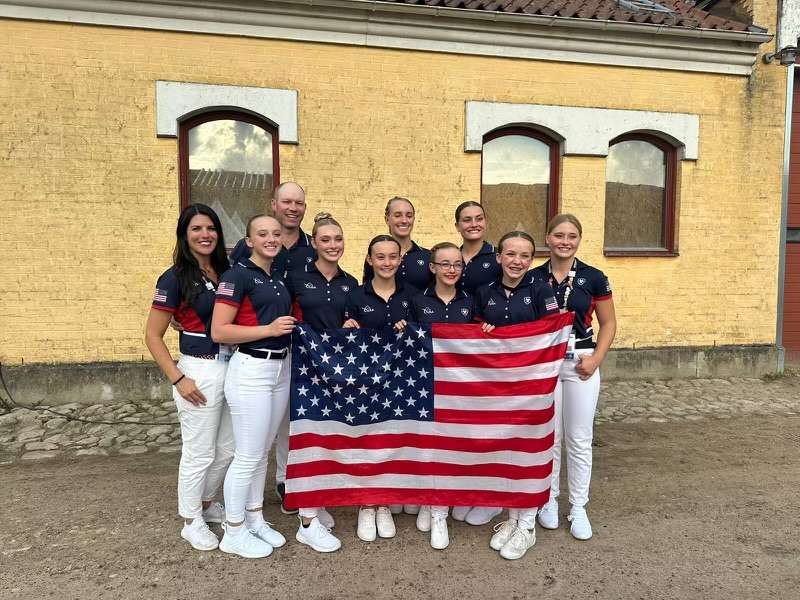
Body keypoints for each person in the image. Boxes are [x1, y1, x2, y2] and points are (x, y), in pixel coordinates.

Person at [145, 203, 235, 552]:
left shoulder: (226, 271)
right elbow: (153, 335)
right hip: (198, 370)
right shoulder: (173, 278)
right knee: (199, 452)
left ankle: (207, 503)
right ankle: (190, 520)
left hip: (232, 367)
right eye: (196, 229)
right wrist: (178, 379)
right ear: (185, 234)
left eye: (210, 228)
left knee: (228, 448)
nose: (205, 235)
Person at [210, 214, 294, 559]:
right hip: (252, 369)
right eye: (263, 234)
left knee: (261, 451)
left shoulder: (275, 276)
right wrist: (269, 330)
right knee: (247, 455)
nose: (271, 238)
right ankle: (233, 530)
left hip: (280, 368)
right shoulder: (237, 274)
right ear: (249, 240)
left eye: (276, 234)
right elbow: (220, 331)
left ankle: (254, 517)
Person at [474, 231, 559, 561]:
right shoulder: (485, 292)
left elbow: (553, 332)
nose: (517, 261)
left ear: (531, 260)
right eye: (510, 254)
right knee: (506, 450)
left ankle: (527, 525)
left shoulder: (540, 289)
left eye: (524, 256)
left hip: (532, 386)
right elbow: (474, 335)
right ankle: (512, 518)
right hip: (497, 386)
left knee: (529, 450)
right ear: (498, 257)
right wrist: (482, 334)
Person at [230, 181, 313, 516]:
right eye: (287, 202)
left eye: (299, 203)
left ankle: (285, 482)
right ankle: (242, 513)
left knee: (289, 423)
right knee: (253, 442)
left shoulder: (312, 246)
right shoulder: (245, 253)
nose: (293, 208)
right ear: (274, 204)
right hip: (256, 354)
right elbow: (229, 292)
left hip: (297, 350)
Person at [533, 214, 616, 541]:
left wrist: (596, 359)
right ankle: (547, 500)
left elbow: (608, 323)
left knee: (579, 438)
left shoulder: (594, 277)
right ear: (548, 237)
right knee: (549, 437)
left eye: (571, 236)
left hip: (581, 359)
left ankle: (578, 506)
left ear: (579, 240)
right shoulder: (533, 276)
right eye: (558, 235)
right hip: (545, 362)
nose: (564, 241)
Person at [285, 212, 359, 552]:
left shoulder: (351, 282)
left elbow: (354, 319)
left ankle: (318, 504)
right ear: (313, 243)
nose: (332, 245)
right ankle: (307, 519)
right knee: (308, 439)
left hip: (338, 371)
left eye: (337, 239)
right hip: (305, 370)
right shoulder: (296, 279)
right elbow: (276, 315)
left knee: (331, 437)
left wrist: (353, 324)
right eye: (325, 239)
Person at [344, 234, 414, 541]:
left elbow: (423, 337)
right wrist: (347, 329)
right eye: (380, 257)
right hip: (365, 380)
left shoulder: (411, 296)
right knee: (365, 439)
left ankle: (384, 501)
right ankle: (366, 503)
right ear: (370, 260)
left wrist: (410, 328)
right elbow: (343, 340)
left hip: (400, 381)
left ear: (401, 260)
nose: (387, 263)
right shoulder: (355, 296)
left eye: (392, 257)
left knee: (391, 439)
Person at [408, 242, 477, 550]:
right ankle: (432, 504)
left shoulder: (470, 301)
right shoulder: (416, 301)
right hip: (427, 386)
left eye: (457, 265)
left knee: (454, 448)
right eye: (445, 264)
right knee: (430, 445)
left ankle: (442, 507)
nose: (451, 270)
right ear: (432, 267)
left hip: (461, 389)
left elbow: (480, 343)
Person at [362, 197, 431, 294]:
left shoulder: (428, 256)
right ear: (387, 219)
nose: (404, 220)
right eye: (397, 215)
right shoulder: (376, 256)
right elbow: (367, 292)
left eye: (409, 216)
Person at [454, 201, 500, 294]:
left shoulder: (499, 257)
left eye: (479, 219)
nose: (474, 224)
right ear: (457, 226)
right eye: (467, 220)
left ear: (486, 223)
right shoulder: (450, 257)